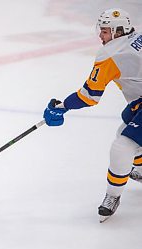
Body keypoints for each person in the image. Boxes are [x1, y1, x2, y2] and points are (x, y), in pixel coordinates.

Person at [43, 8, 142, 222]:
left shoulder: (111, 54)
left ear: (117, 32)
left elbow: (90, 96)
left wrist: (63, 106)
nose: (100, 36)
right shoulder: (137, 37)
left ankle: (112, 196)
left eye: (105, 31)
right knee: (126, 129)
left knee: (122, 146)